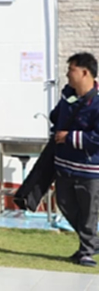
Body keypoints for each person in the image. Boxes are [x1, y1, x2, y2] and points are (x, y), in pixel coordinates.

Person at [51, 52, 99, 268]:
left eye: (71, 70)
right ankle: (92, 243)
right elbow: (55, 117)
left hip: (89, 169)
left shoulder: (97, 103)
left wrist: (69, 137)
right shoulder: (68, 97)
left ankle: (87, 250)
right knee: (65, 205)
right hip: (64, 165)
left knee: (89, 211)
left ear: (84, 72)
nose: (67, 74)